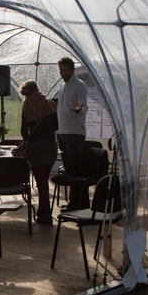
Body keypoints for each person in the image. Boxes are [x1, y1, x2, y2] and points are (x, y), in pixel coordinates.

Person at [18, 80, 59, 224]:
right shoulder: (50, 104)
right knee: (44, 182)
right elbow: (56, 126)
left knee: (41, 183)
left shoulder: (27, 106)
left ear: (26, 93)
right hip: (51, 146)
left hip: (37, 148)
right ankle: (42, 212)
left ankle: (46, 215)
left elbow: (24, 130)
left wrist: (27, 141)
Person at [55, 56, 89, 210]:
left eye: (66, 70)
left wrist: (79, 109)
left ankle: (78, 204)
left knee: (74, 170)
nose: (63, 73)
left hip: (75, 133)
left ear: (73, 70)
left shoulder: (79, 85)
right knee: (69, 170)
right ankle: (75, 202)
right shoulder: (63, 86)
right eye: (61, 70)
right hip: (62, 132)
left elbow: (84, 106)